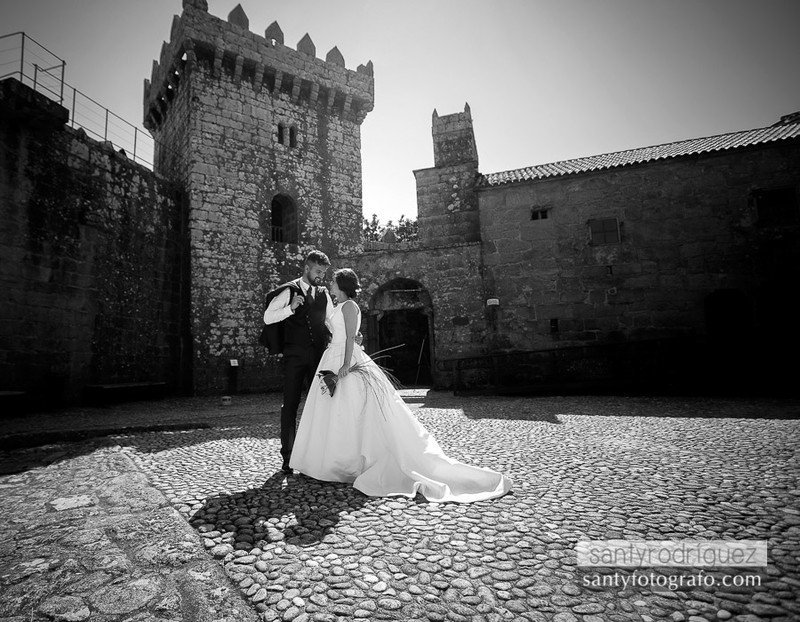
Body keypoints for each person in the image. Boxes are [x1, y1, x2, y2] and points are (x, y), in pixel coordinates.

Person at [290, 268, 512, 503]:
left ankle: (348, 462)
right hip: (332, 356)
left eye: (334, 282)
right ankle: (329, 461)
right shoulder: (338, 306)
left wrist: (346, 364)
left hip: (344, 359)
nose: (331, 285)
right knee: (336, 411)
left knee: (352, 409)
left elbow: (349, 338)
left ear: (342, 285)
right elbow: (348, 334)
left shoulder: (349, 306)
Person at [263, 250, 333, 474]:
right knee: (290, 405)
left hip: (318, 356)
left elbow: (331, 321)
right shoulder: (289, 290)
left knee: (320, 404)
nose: (321, 276)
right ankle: (288, 456)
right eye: (318, 271)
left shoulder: (323, 294)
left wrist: (351, 336)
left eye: (324, 272)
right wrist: (290, 308)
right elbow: (267, 317)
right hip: (294, 356)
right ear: (307, 268)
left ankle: (315, 456)